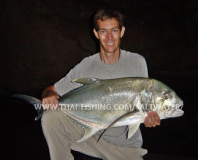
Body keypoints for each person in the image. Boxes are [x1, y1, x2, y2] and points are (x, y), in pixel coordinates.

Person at [41, 8, 160, 160]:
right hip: (90, 138)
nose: (109, 37)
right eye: (103, 31)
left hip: (125, 147)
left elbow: (142, 106)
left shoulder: (137, 63)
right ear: (96, 34)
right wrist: (49, 95)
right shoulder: (85, 66)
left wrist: (148, 118)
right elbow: (51, 90)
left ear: (122, 31)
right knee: (50, 116)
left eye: (114, 31)